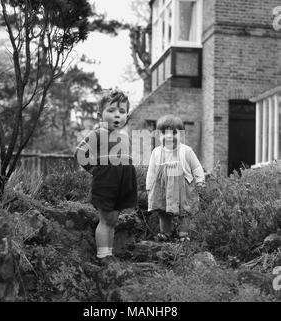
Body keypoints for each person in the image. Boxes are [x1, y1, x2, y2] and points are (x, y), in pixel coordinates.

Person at [75, 90, 137, 264]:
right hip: (107, 181)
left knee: (113, 219)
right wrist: (95, 170)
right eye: (111, 110)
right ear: (99, 115)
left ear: (127, 116)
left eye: (122, 111)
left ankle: (109, 253)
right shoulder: (97, 134)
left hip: (123, 182)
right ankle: (103, 256)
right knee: (105, 219)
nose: (117, 115)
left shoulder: (124, 137)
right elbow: (80, 153)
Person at [146, 114, 205, 242]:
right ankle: (165, 232)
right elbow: (151, 171)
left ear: (181, 134)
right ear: (158, 135)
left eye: (173, 133)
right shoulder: (156, 152)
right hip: (163, 187)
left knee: (185, 211)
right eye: (163, 133)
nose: (168, 136)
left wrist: (200, 180)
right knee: (163, 211)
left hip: (183, 187)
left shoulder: (186, 151)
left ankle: (183, 234)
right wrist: (149, 186)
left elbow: (196, 167)